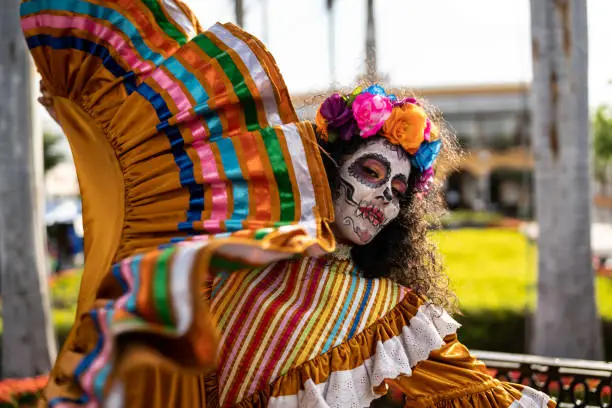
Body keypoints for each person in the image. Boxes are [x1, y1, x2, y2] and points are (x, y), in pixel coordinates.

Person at [24, 1, 555, 407]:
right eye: (370, 172)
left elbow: (476, 393)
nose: (379, 200)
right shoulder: (223, 249)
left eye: (396, 192)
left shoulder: (386, 316)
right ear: (326, 168)